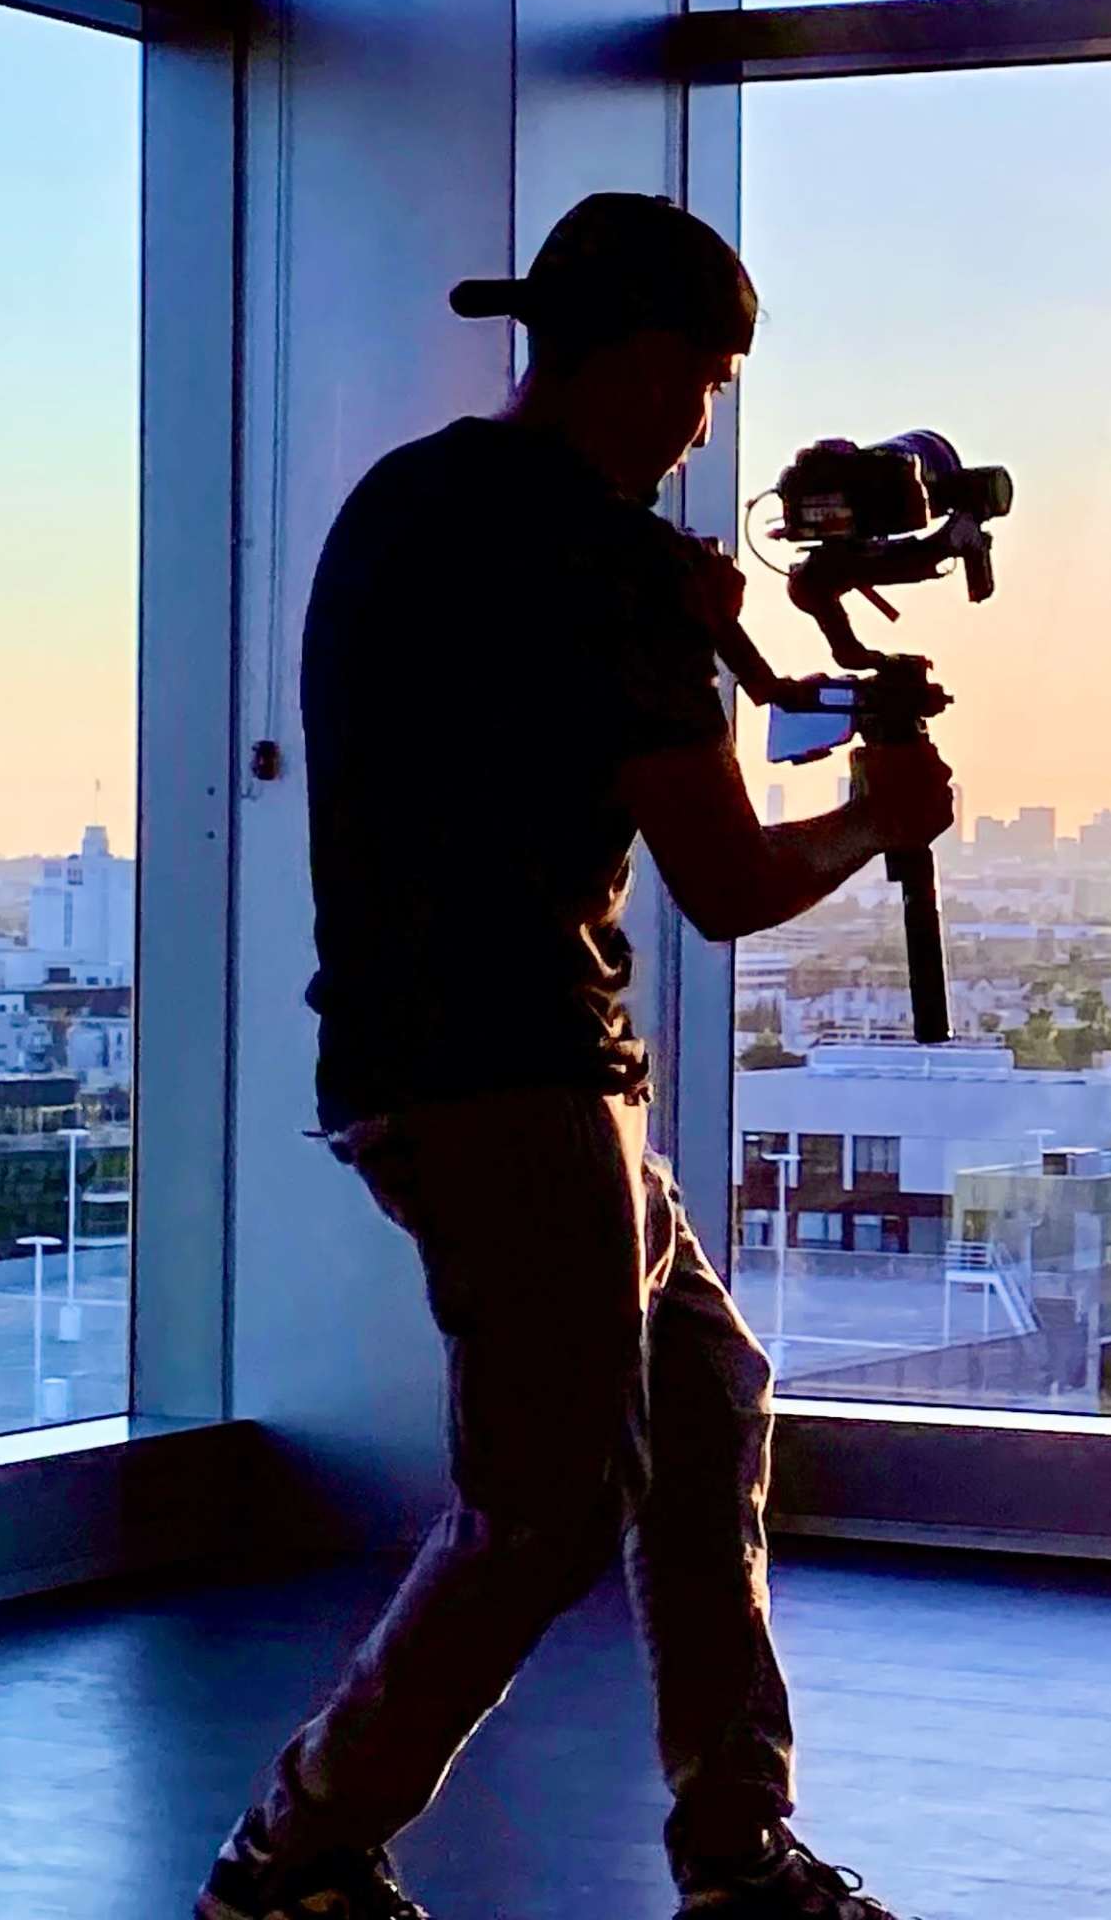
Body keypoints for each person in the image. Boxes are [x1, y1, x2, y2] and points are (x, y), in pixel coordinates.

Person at [202, 194, 946, 1920]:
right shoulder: (609, 569)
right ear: (651, 357)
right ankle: (294, 1850)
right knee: (539, 1508)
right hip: (523, 1074)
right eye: (707, 379)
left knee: (703, 1398)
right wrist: (875, 812)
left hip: (418, 1055)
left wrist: (683, 617)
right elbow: (737, 880)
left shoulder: (410, 501)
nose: (709, 422)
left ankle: (735, 1846)